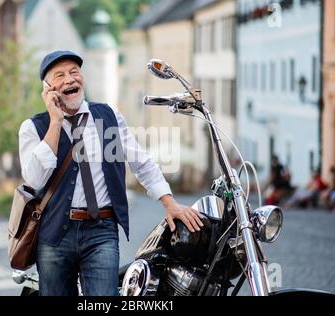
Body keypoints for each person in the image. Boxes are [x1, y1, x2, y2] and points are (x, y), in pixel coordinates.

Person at [18, 50, 203, 296]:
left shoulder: (108, 117)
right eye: (59, 75)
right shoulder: (33, 127)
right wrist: (55, 122)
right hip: (54, 234)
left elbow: (141, 162)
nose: (70, 79)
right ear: (48, 88)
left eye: (74, 72)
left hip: (101, 231)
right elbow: (34, 179)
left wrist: (169, 203)